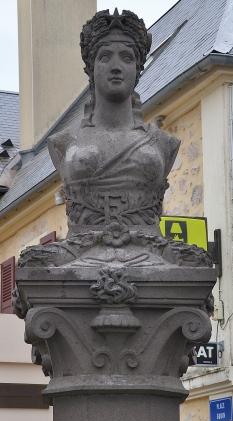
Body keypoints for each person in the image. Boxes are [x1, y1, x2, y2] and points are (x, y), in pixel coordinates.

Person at [18, 9, 211, 268]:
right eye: (105, 57)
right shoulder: (63, 142)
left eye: (127, 58)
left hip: (152, 257)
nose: (116, 66)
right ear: (91, 68)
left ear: (138, 69)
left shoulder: (163, 143)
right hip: (79, 257)